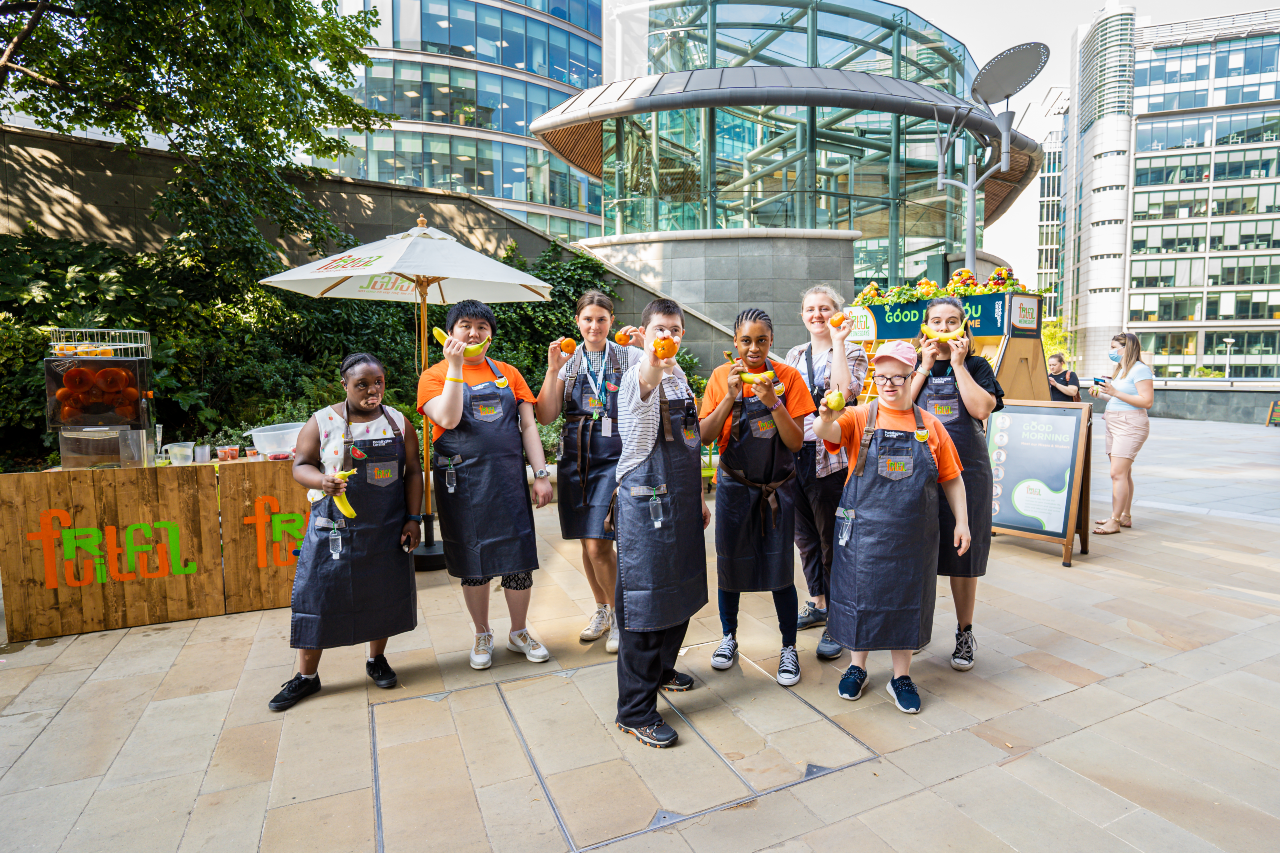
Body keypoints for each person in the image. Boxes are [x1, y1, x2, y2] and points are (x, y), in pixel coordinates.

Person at [814, 340, 970, 714]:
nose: (889, 384)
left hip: (913, 537)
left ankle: (901, 676)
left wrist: (962, 521)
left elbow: (951, 478)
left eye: (897, 376)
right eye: (881, 376)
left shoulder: (929, 425)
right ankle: (857, 667)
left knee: (907, 601)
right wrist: (826, 416)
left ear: (911, 375)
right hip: (864, 535)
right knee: (859, 597)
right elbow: (824, 432)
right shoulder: (857, 418)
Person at [269, 353, 423, 711]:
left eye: (378, 383)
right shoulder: (323, 421)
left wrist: (413, 518)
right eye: (362, 385)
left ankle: (376, 660)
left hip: (385, 526)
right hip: (333, 528)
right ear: (345, 385)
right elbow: (301, 465)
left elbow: (413, 471)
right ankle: (307, 677)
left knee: (381, 594)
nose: (373, 390)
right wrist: (322, 481)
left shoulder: (399, 423)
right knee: (317, 597)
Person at [417, 299, 555, 670]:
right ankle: (482, 632)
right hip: (462, 484)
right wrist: (456, 367)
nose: (474, 333)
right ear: (449, 333)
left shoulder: (508, 373)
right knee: (473, 562)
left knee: (517, 561)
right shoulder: (433, 376)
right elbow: (448, 416)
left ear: (490, 336)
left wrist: (540, 475)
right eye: (465, 325)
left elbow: (528, 425)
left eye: (482, 327)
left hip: (508, 481)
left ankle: (518, 631)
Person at [700, 308, 816, 686]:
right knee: (730, 565)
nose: (754, 348)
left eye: (761, 340)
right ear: (735, 342)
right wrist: (729, 396)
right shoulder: (721, 377)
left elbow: (796, 441)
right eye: (746, 340)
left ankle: (788, 647)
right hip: (734, 487)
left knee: (780, 570)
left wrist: (773, 402)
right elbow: (704, 436)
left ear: (771, 342)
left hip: (778, 489)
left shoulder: (788, 378)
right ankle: (728, 636)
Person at [613, 298, 710, 748]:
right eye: (658, 329)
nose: (667, 335)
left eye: (674, 329)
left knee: (682, 592)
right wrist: (651, 359)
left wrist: (697, 500)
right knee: (644, 607)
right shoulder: (640, 375)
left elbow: (690, 443)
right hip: (647, 502)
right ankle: (635, 710)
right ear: (645, 332)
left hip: (682, 501)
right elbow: (647, 382)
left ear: (682, 333)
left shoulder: (682, 378)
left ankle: (663, 670)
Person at [535, 291, 643, 655]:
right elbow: (546, 414)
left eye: (601, 319)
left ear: (611, 321)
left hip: (615, 460)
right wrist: (552, 370)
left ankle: (619, 616)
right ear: (577, 322)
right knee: (586, 539)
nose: (594, 326)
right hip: (576, 460)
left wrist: (650, 354)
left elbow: (651, 394)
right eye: (587, 319)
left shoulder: (629, 355)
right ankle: (602, 610)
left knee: (599, 543)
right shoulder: (567, 362)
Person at [907, 296, 1003, 672]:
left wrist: (959, 365)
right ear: (925, 327)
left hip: (968, 472)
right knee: (916, 552)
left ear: (963, 327)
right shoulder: (915, 365)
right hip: (918, 471)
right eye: (936, 321)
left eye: (951, 322)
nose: (943, 328)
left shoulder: (978, 366)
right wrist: (925, 366)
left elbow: (981, 409)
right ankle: (912, 629)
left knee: (965, 556)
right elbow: (896, 408)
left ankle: (964, 634)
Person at [783, 285, 869, 662]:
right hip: (794, 456)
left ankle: (838, 617)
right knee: (804, 537)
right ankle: (817, 601)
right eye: (810, 309)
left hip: (830, 458)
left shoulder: (851, 351)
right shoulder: (793, 354)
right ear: (802, 314)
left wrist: (836, 340)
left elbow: (842, 396)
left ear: (838, 312)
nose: (816, 315)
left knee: (832, 538)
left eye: (825, 308)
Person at [1090, 332, 1154, 535]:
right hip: (1114, 422)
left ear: (1127, 348)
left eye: (1114, 347)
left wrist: (1115, 392)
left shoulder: (1140, 370)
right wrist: (1102, 394)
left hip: (1130, 424)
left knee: (1116, 473)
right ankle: (1125, 515)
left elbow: (1147, 401)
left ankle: (1115, 520)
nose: (1111, 352)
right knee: (1124, 473)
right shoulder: (1121, 371)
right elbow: (1120, 399)